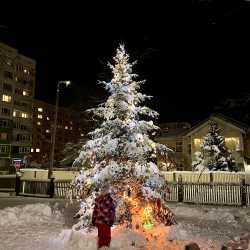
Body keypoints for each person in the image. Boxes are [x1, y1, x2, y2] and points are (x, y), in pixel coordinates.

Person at [92, 182, 116, 249]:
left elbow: (112, 211)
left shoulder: (110, 200)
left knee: (106, 236)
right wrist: (93, 218)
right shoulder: (98, 200)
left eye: (104, 190)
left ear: (107, 191)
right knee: (100, 236)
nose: (102, 192)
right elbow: (95, 210)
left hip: (106, 221)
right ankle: (100, 247)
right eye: (102, 190)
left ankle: (105, 247)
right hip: (99, 221)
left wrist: (112, 219)